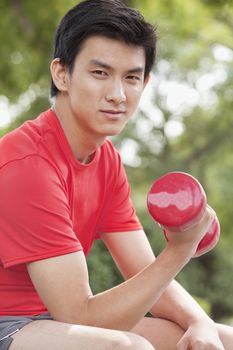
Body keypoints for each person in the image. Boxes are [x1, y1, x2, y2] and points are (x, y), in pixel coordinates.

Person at [0, 0, 232, 349]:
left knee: (222, 338)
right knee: (127, 348)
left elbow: (143, 272)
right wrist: (180, 251)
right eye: (100, 73)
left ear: (146, 82)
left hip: (52, 323)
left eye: (131, 78)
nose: (117, 94)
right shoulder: (28, 164)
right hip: (9, 322)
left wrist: (200, 323)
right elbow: (78, 315)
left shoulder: (106, 160)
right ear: (62, 74)